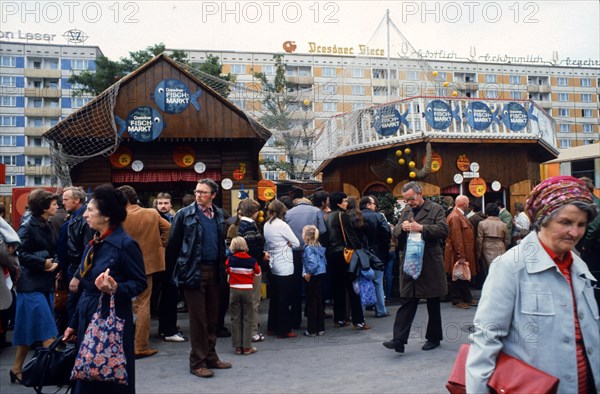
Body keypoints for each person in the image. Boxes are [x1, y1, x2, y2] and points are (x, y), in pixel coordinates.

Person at [467, 176, 600, 393]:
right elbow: (485, 341)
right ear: (543, 220)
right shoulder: (510, 267)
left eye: (581, 224)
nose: (575, 232)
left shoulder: (580, 267)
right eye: (566, 222)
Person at [63, 184, 147, 394]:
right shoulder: (94, 242)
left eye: (90, 210)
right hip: (87, 317)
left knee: (111, 380)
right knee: (86, 375)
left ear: (107, 215)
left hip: (112, 322)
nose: (85, 216)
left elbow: (139, 283)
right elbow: (84, 286)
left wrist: (115, 288)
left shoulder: (125, 244)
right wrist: (73, 323)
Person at [166, 178, 232, 379]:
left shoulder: (219, 215)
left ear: (213, 195)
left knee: (213, 317)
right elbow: (173, 247)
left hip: (215, 270)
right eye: (197, 192)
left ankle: (211, 356)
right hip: (193, 271)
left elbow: (222, 244)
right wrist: (173, 274)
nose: (198, 195)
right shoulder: (184, 215)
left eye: (203, 192)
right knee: (198, 320)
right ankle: (197, 362)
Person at [383, 182, 449, 353]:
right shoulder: (406, 211)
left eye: (411, 199)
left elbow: (443, 230)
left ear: (420, 194)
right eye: (406, 200)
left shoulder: (436, 209)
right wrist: (402, 228)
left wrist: (421, 228)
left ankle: (433, 337)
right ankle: (398, 340)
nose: (409, 203)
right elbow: (396, 231)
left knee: (432, 301)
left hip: (429, 262)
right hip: (410, 260)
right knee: (407, 300)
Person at [10, 189, 60, 384]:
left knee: (25, 331)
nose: (57, 206)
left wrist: (55, 262)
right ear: (44, 207)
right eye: (54, 203)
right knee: (48, 331)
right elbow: (19, 254)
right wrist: (43, 263)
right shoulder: (28, 226)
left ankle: (16, 368)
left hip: (42, 283)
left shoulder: (46, 223)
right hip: (31, 285)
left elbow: (53, 249)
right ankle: (56, 372)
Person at [118, 185, 171, 359]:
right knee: (143, 303)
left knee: (124, 301)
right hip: (146, 265)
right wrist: (159, 246)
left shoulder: (119, 216)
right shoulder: (152, 213)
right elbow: (169, 229)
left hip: (122, 264)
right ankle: (140, 345)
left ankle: (123, 342)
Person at [325, 192, 371, 330]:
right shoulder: (342, 215)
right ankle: (358, 321)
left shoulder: (327, 216)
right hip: (345, 254)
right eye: (344, 201)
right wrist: (359, 250)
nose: (346, 203)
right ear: (339, 203)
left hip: (331, 254)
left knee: (337, 289)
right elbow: (350, 234)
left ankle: (339, 319)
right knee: (352, 287)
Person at [285, 197, 327, 329]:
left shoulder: (288, 213)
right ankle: (314, 319)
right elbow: (323, 230)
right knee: (313, 289)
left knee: (295, 286)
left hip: (294, 253)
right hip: (312, 250)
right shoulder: (316, 211)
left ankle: (295, 320)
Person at [152, 192, 187, 343]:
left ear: (171, 204)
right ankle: (168, 329)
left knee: (169, 296)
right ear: (156, 204)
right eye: (160, 203)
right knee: (167, 296)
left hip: (172, 262)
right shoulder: (154, 219)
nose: (163, 206)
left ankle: (165, 328)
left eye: (166, 203)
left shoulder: (174, 218)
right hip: (161, 262)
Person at [58, 186, 94, 324]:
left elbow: (88, 250)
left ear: (77, 200)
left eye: (66, 199)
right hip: (73, 267)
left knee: (76, 304)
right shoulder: (74, 216)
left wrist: (78, 275)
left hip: (79, 269)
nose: (63, 203)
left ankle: (77, 338)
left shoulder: (85, 219)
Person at [264, 199, 300, 338]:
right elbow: (296, 242)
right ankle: (283, 329)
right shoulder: (282, 225)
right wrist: (288, 244)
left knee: (275, 297)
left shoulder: (267, 225)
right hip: (285, 265)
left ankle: (272, 326)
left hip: (273, 263)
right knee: (284, 299)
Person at [237, 198, 269, 343]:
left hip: (244, 267)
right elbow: (253, 247)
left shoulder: (242, 224)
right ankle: (252, 332)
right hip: (252, 267)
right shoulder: (249, 226)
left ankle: (246, 330)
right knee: (253, 300)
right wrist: (263, 255)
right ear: (253, 212)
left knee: (246, 301)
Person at [225, 236, 261, 355]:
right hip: (247, 290)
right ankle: (247, 347)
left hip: (234, 290)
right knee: (247, 317)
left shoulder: (230, 259)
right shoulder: (252, 260)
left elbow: (228, 270)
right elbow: (257, 272)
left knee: (235, 318)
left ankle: (237, 346)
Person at [444, 195, 478, 309]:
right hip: (458, 252)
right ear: (463, 204)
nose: (468, 205)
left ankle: (466, 297)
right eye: (467, 203)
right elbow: (456, 237)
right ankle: (457, 299)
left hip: (461, 252)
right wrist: (460, 255)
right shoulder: (455, 217)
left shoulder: (458, 215)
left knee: (462, 275)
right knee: (457, 276)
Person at [360, 195, 391, 317]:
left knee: (362, 281)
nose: (375, 206)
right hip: (378, 253)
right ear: (368, 204)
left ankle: (360, 312)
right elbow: (387, 232)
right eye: (373, 204)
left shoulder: (355, 216)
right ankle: (381, 309)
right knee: (378, 282)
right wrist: (384, 246)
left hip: (361, 254)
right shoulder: (379, 216)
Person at [577, 176, 600, 304]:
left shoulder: (592, 203)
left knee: (593, 276)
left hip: (593, 248)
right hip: (593, 247)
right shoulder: (593, 201)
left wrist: (585, 245)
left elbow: (594, 227)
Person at [302, 224, 327, 337]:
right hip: (321, 274)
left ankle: (311, 329)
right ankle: (320, 328)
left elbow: (312, 263)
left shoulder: (308, 248)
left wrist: (308, 273)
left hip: (312, 275)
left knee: (311, 303)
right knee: (318, 302)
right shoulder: (319, 247)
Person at [476, 203, 510, 275]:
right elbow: (507, 240)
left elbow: (479, 240)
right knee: (500, 271)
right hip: (501, 246)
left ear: (487, 212)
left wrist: (478, 253)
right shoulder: (503, 224)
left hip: (486, 247)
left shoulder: (482, 223)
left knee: (488, 271)